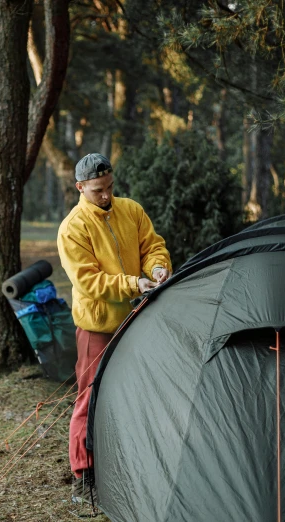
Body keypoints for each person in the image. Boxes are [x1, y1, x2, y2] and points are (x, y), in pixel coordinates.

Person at [57, 152, 171, 505]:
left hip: (138, 317)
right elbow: (89, 280)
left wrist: (156, 270)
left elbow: (153, 246)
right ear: (80, 187)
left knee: (140, 388)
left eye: (108, 188)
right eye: (97, 191)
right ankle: (83, 473)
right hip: (97, 325)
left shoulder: (131, 210)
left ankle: (136, 460)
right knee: (89, 398)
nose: (105, 196)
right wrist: (133, 284)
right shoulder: (72, 228)